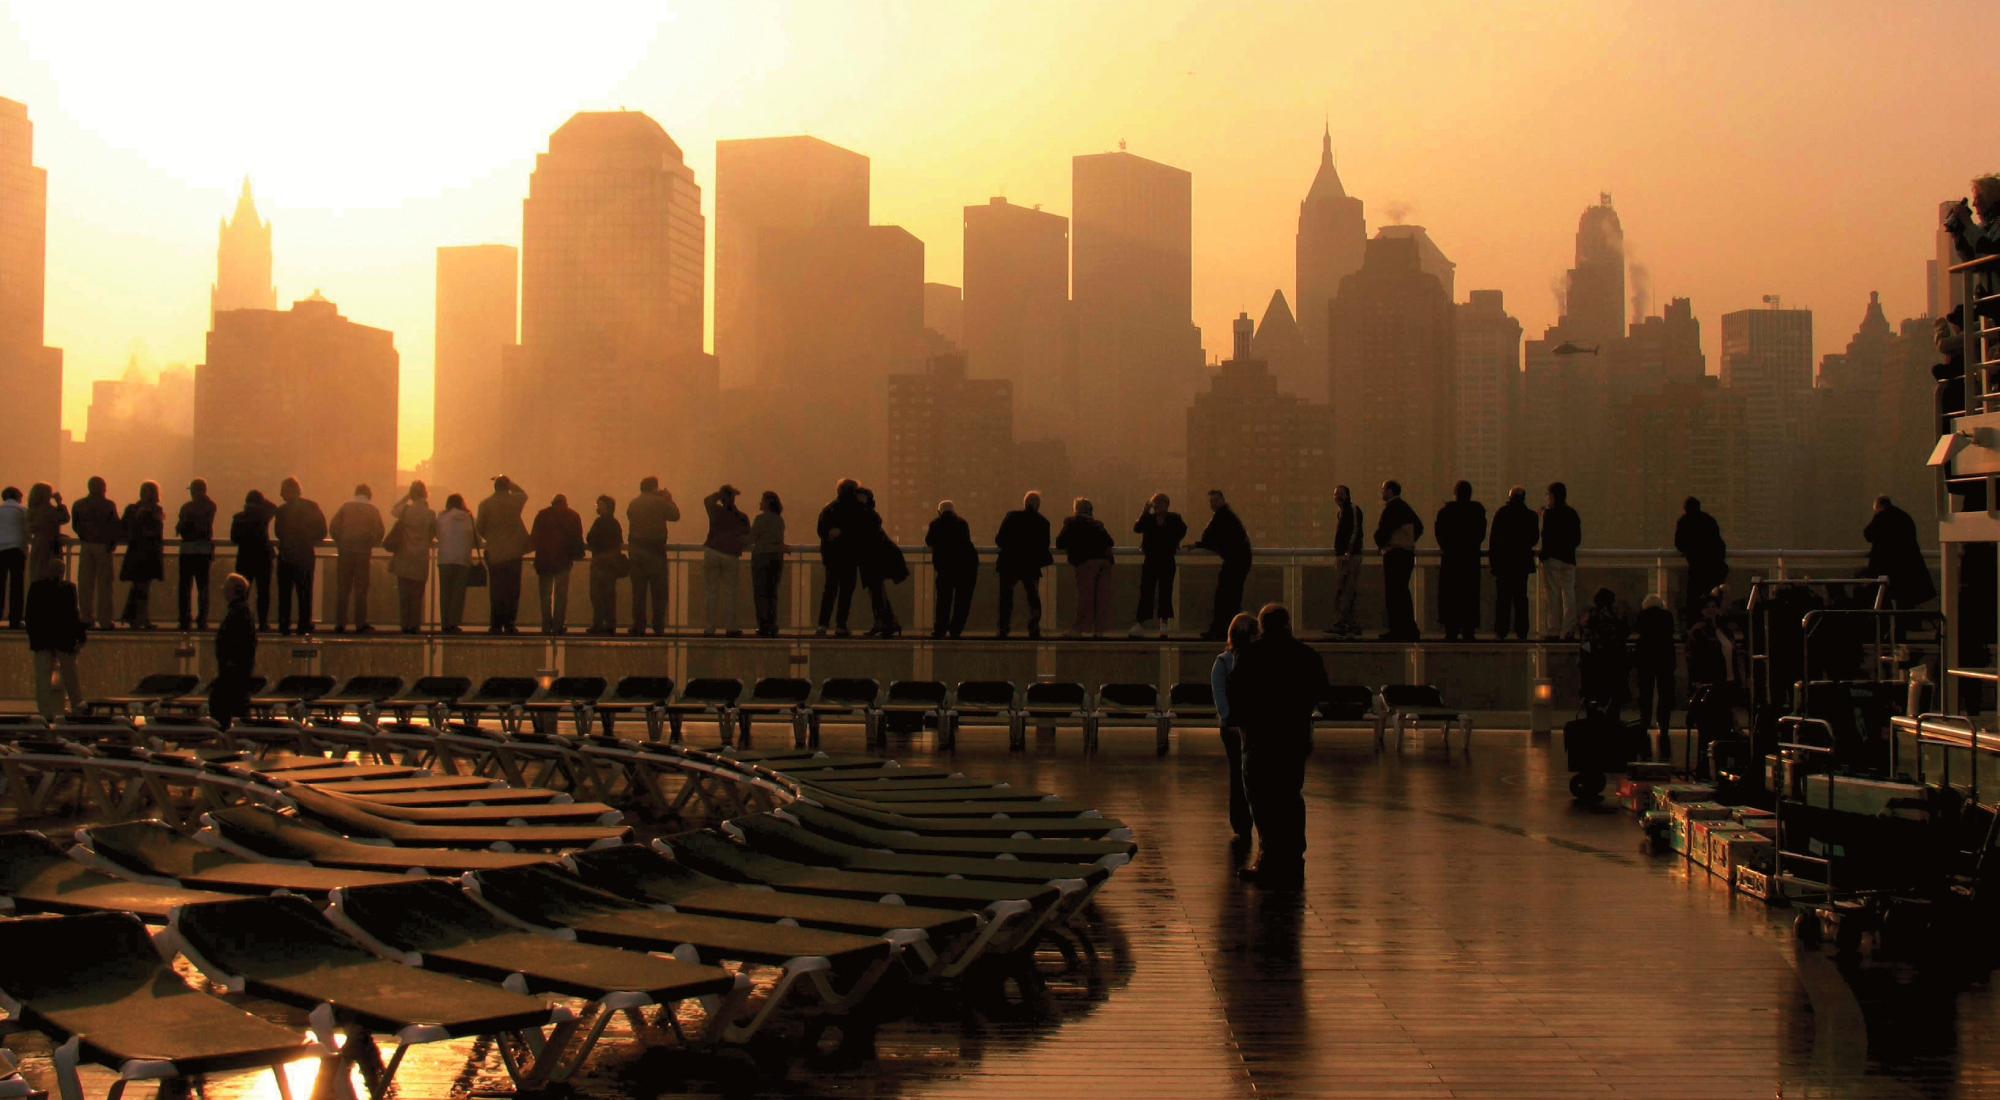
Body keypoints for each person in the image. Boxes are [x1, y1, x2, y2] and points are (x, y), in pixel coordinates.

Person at [1226, 603, 1328, 888]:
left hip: (1260, 739)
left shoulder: (1251, 655)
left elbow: (1236, 694)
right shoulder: (1306, 656)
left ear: (1262, 626)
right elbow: (1320, 691)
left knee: (1262, 799)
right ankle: (1294, 858)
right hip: (1293, 739)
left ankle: (1268, 858)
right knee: (1290, 796)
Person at [1211, 611, 1259, 843]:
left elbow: (1220, 696)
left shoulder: (1222, 662)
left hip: (1235, 726)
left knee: (1240, 775)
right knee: (1244, 774)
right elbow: (1221, 697)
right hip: (1240, 726)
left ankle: (1242, 822)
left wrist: (1229, 720)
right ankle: (1245, 820)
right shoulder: (1227, 662)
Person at [25, 558, 85, 721]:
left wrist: (33, 637)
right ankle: (77, 709)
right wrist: (81, 637)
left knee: (43, 679)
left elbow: (30, 615)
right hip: (64, 639)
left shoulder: (37, 587)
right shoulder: (68, 588)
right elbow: (73, 615)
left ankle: (45, 713)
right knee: (70, 678)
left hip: (43, 640)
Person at [1192, 490, 1253, 641]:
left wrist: (1198, 544)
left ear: (1222, 500)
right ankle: (1227, 631)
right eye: (1211, 501)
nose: (1213, 503)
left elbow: (1208, 538)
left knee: (1225, 597)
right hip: (1238, 560)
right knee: (1230, 597)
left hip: (1235, 561)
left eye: (1215, 500)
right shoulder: (1226, 515)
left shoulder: (1223, 517)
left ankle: (1222, 631)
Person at [625, 476, 680, 636]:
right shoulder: (660, 502)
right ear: (654, 488)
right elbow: (675, 515)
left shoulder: (633, 504)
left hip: (636, 551)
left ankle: (638, 625)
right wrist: (668, 499)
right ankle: (658, 625)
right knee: (659, 592)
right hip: (656, 551)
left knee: (638, 592)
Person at [993, 491, 1052, 640]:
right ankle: (1033, 627)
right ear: (1038, 505)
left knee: (1005, 597)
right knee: (1033, 597)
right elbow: (1045, 545)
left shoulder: (1011, 517)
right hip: (1030, 565)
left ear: (1024, 503)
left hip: (1009, 563)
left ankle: (1003, 628)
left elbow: (999, 539)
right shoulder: (1043, 522)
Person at [1434, 480, 1486, 642]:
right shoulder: (1477, 512)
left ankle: (1451, 629)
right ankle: (1468, 630)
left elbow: (1439, 534)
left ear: (1455, 493)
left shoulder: (1446, 512)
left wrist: (1448, 547)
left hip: (1451, 560)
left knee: (1450, 595)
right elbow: (1481, 534)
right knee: (1469, 595)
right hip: (1470, 560)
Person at [327, 484, 384, 633]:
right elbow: (380, 531)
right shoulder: (373, 510)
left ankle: (340, 623)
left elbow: (333, 528)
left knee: (343, 589)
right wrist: (369, 542)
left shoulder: (345, 507)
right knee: (361, 589)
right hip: (363, 554)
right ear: (369, 495)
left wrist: (342, 540)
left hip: (345, 552)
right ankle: (360, 622)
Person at [477, 476, 530, 635]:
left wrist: (491, 537)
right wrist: (511, 482)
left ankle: (495, 624)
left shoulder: (485, 504)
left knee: (496, 589)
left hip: (495, 552)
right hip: (514, 552)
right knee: (512, 590)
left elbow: (479, 528)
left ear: (494, 488)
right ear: (507, 487)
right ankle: (510, 624)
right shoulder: (515, 501)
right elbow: (523, 494)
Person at [273, 477, 327, 636]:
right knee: (305, 591)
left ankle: (284, 625)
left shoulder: (281, 510)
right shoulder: (312, 506)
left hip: (286, 555)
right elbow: (323, 530)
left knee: (284, 593)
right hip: (305, 555)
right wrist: (310, 539)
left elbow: (278, 533)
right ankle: (304, 624)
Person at [1863, 495, 1936, 610]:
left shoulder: (1881, 517)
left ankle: (1886, 626)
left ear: (1878, 506)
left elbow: (1868, 534)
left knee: (1883, 598)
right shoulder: (1904, 517)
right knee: (1905, 601)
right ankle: (1903, 626)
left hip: (1886, 566)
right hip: (1906, 566)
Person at [1056, 498, 1116, 638]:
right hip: (1105, 562)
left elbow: (1060, 542)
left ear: (1076, 509)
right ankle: (1099, 631)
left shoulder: (1072, 522)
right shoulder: (1098, 524)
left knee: (1085, 597)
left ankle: (1078, 629)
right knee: (1100, 598)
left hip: (1086, 562)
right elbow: (1110, 541)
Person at [1130, 493, 1187, 637]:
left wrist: (1172, 542)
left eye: (1159, 503)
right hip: (1151, 559)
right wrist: (1145, 511)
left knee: (1165, 591)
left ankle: (1163, 623)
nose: (1157, 506)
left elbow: (1182, 531)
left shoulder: (1174, 518)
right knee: (1146, 590)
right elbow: (1137, 528)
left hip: (1167, 559)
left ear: (1166, 504)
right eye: (1155, 503)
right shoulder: (1149, 518)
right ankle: (1141, 623)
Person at [1374, 480, 1423, 642]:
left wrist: (1381, 542)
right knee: (1402, 591)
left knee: (1394, 593)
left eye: (1383, 489)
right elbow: (1420, 527)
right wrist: (1409, 540)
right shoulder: (1405, 508)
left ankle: (1396, 629)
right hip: (1407, 553)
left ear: (1390, 491)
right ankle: (1409, 628)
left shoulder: (1392, 509)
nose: (1382, 493)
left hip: (1394, 554)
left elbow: (1382, 532)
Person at [530, 492, 584, 635]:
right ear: (565, 503)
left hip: (544, 561)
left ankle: (546, 624)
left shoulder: (542, 515)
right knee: (561, 595)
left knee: (545, 595)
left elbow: (534, 537)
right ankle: (558, 625)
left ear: (552, 502)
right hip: (563, 562)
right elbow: (578, 538)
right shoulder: (573, 516)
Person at [1488, 486, 1538, 641]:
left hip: (1503, 565)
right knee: (1521, 599)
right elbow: (1534, 539)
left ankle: (1501, 631)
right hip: (1521, 565)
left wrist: (1493, 564)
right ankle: (1522, 631)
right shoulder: (1530, 516)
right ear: (1523, 497)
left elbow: (1493, 541)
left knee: (1503, 599)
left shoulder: (1501, 514)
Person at [209, 573, 258, 731]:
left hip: (233, 670)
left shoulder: (237, 612)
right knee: (236, 706)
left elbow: (235, 642)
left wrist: (229, 661)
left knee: (221, 703)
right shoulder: (242, 611)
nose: (223, 590)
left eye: (226, 587)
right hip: (237, 669)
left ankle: (226, 736)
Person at [814, 479, 862, 637]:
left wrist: (831, 535)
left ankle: (822, 624)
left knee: (829, 590)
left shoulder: (829, 508)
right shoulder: (857, 510)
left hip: (832, 556)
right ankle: (841, 625)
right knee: (846, 592)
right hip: (850, 556)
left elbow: (821, 530)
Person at [855, 487, 905, 638]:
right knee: (877, 591)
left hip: (873, 558)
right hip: (875, 558)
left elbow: (865, 537)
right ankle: (890, 623)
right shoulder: (869, 514)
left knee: (876, 591)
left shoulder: (865, 515)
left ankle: (882, 623)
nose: (859, 499)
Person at [386, 482, 435, 634]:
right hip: (420, 559)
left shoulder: (406, 511)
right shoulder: (430, 514)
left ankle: (405, 625)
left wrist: (406, 497)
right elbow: (432, 533)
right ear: (425, 494)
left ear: (412, 494)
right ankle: (415, 625)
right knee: (417, 596)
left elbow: (394, 509)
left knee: (404, 596)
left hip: (404, 559)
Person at [1632, 594, 1677, 760]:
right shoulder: (1667, 616)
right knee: (1665, 692)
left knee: (1646, 692)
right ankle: (1663, 726)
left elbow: (1637, 630)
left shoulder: (1643, 616)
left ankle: (1644, 723)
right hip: (1665, 656)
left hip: (1646, 657)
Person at [702, 485, 750, 636]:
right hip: (730, 554)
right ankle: (730, 628)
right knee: (730, 592)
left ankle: (710, 628)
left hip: (712, 550)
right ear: (733, 499)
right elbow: (747, 537)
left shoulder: (715, 511)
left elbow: (707, 500)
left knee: (711, 592)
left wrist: (720, 493)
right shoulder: (741, 517)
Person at [926, 501, 978, 640]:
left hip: (944, 568)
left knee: (943, 599)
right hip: (964, 567)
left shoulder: (935, 524)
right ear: (953, 511)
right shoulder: (961, 523)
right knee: (961, 600)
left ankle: (940, 629)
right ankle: (955, 629)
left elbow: (929, 541)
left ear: (939, 511)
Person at [118, 481, 165, 630]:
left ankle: (136, 618)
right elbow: (125, 528)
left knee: (141, 586)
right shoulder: (135, 509)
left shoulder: (149, 509)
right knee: (141, 587)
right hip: (142, 552)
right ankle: (140, 618)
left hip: (145, 552)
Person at [70, 479, 116, 630]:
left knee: (85, 584)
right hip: (103, 546)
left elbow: (75, 525)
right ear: (103, 488)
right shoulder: (108, 505)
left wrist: (84, 535)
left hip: (86, 545)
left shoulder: (79, 504)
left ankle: (86, 618)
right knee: (105, 584)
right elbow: (115, 525)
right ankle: (104, 620)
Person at [1539, 482, 1582, 640]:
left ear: (1551, 496)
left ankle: (1554, 630)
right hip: (1569, 559)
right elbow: (1577, 539)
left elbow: (1545, 536)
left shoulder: (1549, 514)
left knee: (1553, 594)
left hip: (1553, 559)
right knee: (1568, 594)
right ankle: (1569, 630)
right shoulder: (1572, 514)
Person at [1673, 497, 1728, 622]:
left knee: (1694, 600)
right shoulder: (1708, 520)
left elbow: (1679, 543)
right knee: (1713, 599)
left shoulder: (1684, 522)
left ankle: (1695, 626)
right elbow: (1719, 544)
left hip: (1697, 568)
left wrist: (1690, 552)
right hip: (1715, 568)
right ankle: (1714, 625)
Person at [1579, 588, 1629, 718]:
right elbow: (1624, 632)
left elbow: (1584, 636)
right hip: (1614, 662)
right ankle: (1612, 723)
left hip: (1594, 663)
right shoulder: (1616, 616)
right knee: (1613, 697)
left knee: (1593, 696)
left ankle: (1593, 722)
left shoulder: (1591, 615)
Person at [229, 490, 276, 631]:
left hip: (245, 558)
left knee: (242, 593)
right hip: (263, 558)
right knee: (263, 592)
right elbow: (274, 507)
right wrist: (264, 501)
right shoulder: (263, 516)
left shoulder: (238, 518)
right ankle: (263, 622)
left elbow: (234, 538)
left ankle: (241, 622)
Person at [175, 479, 218, 632]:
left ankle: (185, 619)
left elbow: (180, 527)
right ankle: (202, 619)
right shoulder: (211, 506)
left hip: (187, 550)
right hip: (204, 551)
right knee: (203, 587)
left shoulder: (187, 507)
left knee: (185, 587)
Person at [435, 493, 480, 635]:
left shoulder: (442, 517)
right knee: (457, 594)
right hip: (462, 559)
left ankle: (444, 623)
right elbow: (477, 538)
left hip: (445, 559)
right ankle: (453, 624)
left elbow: (437, 534)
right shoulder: (469, 518)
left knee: (445, 593)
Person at [1326, 485, 1365, 639]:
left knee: (1348, 591)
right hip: (1342, 557)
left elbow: (1356, 530)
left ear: (1348, 495)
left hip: (1350, 557)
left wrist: (1349, 551)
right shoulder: (1341, 513)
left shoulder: (1353, 509)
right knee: (1341, 592)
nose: (1337, 497)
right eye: (1335, 494)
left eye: (1340, 494)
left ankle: (1349, 625)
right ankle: (1342, 624)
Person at [586, 495, 625, 636]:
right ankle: (610, 625)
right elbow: (618, 543)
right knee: (609, 596)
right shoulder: (615, 524)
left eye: (599, 505)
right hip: (611, 566)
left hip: (598, 565)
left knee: (597, 597)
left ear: (606, 507)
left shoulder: (599, 522)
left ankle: (598, 624)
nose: (597, 508)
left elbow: (590, 538)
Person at [749, 492, 786, 638]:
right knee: (772, 593)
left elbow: (752, 537)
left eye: (761, 501)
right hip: (776, 558)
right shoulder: (779, 520)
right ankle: (773, 624)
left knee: (760, 593)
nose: (759, 504)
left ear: (768, 503)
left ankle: (763, 625)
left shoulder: (760, 519)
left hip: (761, 557)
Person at [25, 482, 69, 586]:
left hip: (38, 545)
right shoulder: (50, 510)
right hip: (52, 546)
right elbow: (64, 518)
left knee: (38, 574)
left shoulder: (31, 510)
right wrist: (59, 503)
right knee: (53, 575)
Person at [0, 487, 25, 629]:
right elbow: (27, 529)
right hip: (16, 549)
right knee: (16, 586)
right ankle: (15, 619)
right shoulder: (22, 510)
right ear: (18, 497)